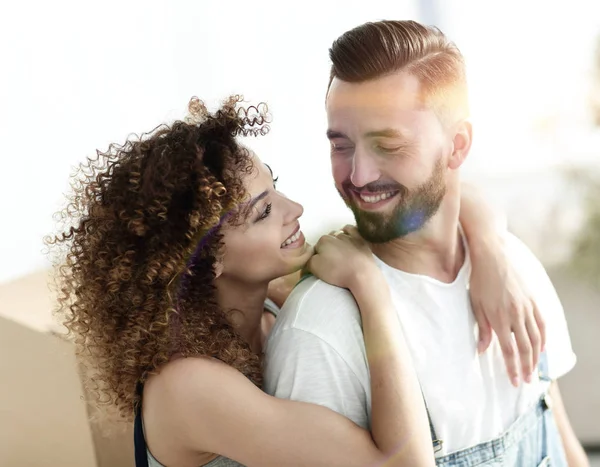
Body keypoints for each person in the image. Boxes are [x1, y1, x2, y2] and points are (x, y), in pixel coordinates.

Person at [48, 95, 544, 467]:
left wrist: (491, 252)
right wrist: (372, 294)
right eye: (264, 211)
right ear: (202, 261)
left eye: (276, 188)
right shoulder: (188, 385)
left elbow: (444, 197)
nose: (296, 210)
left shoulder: (269, 307)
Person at [264, 19, 590, 467]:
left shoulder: (513, 268)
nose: (358, 176)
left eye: (388, 145)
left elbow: (560, 438)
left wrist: (490, 243)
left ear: (457, 145)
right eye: (342, 146)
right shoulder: (321, 331)